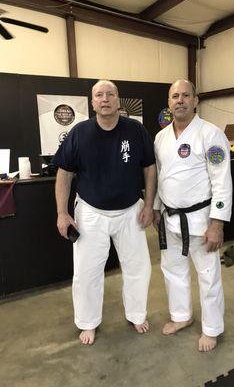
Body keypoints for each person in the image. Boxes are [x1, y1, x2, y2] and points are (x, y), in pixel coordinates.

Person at [53, 79, 156, 345]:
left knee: (138, 268)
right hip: (90, 211)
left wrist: (149, 205)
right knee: (87, 272)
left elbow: (149, 168)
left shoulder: (135, 130)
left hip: (130, 210)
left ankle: (136, 314)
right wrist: (62, 213)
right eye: (99, 95)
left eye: (110, 94)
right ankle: (88, 322)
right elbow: (64, 174)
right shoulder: (79, 133)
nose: (105, 99)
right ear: (92, 102)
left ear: (119, 100)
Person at [153, 79, 232, 352]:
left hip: (201, 220)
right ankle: (181, 316)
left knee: (208, 274)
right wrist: (154, 207)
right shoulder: (161, 137)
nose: (180, 100)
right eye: (175, 96)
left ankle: (211, 328)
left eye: (186, 95)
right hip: (170, 217)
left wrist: (217, 224)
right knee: (173, 270)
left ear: (196, 100)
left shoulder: (211, 134)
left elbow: (222, 180)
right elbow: (160, 178)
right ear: (168, 103)